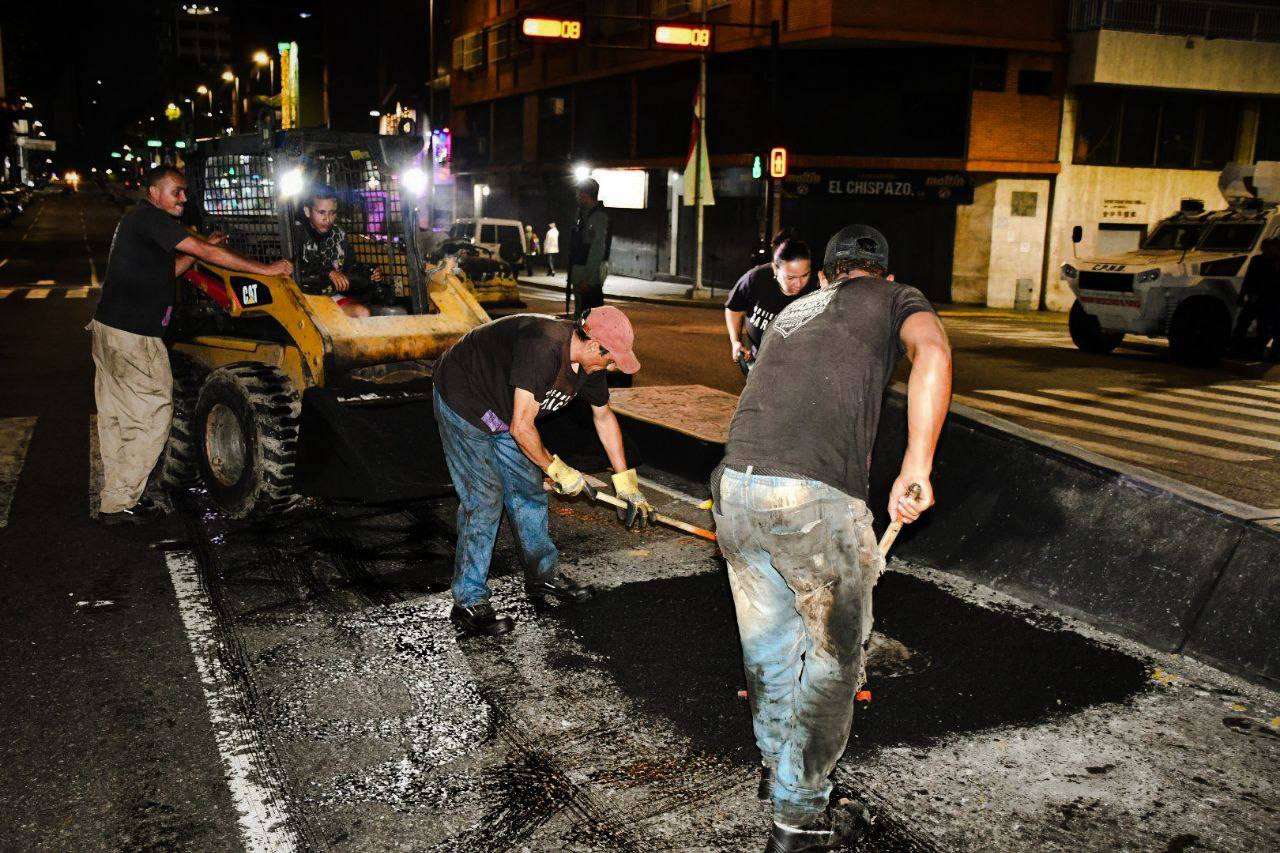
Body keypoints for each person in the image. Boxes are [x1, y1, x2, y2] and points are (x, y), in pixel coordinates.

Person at [712, 225, 952, 851]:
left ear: (824, 277)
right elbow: (934, 356)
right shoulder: (897, 299)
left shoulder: (794, 312)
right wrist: (917, 466)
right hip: (811, 502)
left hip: (736, 488)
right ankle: (799, 816)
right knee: (834, 659)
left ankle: (778, 772)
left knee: (768, 648)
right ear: (885, 275)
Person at [433, 306, 654, 637]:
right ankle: (469, 600)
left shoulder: (590, 368)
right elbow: (522, 428)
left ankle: (543, 577)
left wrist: (627, 484)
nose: (611, 367)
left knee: (528, 490)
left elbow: (604, 418)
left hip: (506, 413)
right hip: (465, 398)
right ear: (595, 345)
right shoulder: (543, 347)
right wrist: (558, 469)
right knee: (485, 499)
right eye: (611, 360)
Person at [91, 164, 293, 525]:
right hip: (135, 337)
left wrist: (198, 252)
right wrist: (266, 269)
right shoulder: (153, 218)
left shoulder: (138, 222)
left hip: (110, 330)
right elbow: (206, 252)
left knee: (119, 417)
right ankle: (121, 500)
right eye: (176, 191)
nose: (183, 197)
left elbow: (166, 271)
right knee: (154, 414)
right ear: (154, 193)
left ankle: (116, 499)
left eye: (185, 191)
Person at [724, 237, 818, 374]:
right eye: (791, 278)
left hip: (800, 367)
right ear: (775, 268)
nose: (798, 284)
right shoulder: (755, 279)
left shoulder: (818, 287)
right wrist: (735, 341)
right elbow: (734, 308)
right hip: (759, 363)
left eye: (805, 275)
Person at [296, 185, 383, 318]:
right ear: (307, 211)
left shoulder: (338, 235)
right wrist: (328, 272)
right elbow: (295, 267)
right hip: (300, 300)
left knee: (362, 313)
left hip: (329, 297)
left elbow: (350, 267)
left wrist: (368, 272)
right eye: (321, 212)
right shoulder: (296, 234)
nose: (327, 219)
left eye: (332, 213)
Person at [567, 179, 610, 315]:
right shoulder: (584, 215)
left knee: (589, 319)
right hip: (580, 273)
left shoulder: (597, 217)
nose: (577, 197)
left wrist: (588, 279)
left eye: (579, 193)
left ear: (585, 195)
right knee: (582, 316)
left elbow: (597, 249)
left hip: (587, 276)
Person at [1232, 237, 1280, 360]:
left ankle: (1260, 352)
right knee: (1244, 323)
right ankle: (1238, 348)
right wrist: (1243, 295)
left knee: (1264, 328)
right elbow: (1249, 279)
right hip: (1257, 298)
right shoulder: (1257, 260)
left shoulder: (1274, 262)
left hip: (1269, 300)